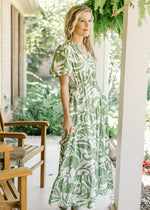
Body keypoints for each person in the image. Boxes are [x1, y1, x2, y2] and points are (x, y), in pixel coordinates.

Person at [48, 5, 113, 210]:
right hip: (78, 111)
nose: (87, 25)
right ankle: (68, 201)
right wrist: (67, 117)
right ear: (73, 23)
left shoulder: (88, 48)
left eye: (90, 20)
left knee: (88, 156)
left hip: (93, 112)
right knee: (73, 154)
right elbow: (64, 86)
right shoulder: (65, 49)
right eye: (82, 20)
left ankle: (82, 200)